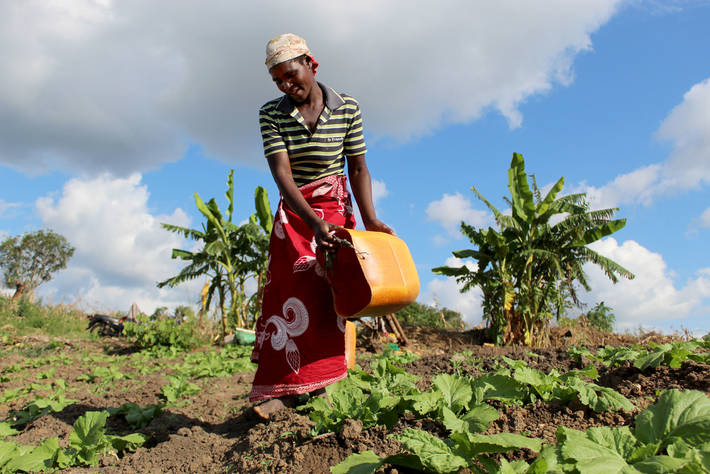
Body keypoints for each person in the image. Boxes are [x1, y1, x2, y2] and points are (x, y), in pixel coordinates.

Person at [250, 33, 393, 418]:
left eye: (291, 74)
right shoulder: (271, 114)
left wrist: (370, 220)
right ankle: (280, 390)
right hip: (298, 215)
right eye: (277, 80)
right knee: (288, 296)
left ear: (311, 64)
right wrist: (313, 223)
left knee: (332, 296)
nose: (286, 85)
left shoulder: (348, 107)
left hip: (335, 210)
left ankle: (329, 386)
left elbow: (359, 166)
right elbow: (282, 175)